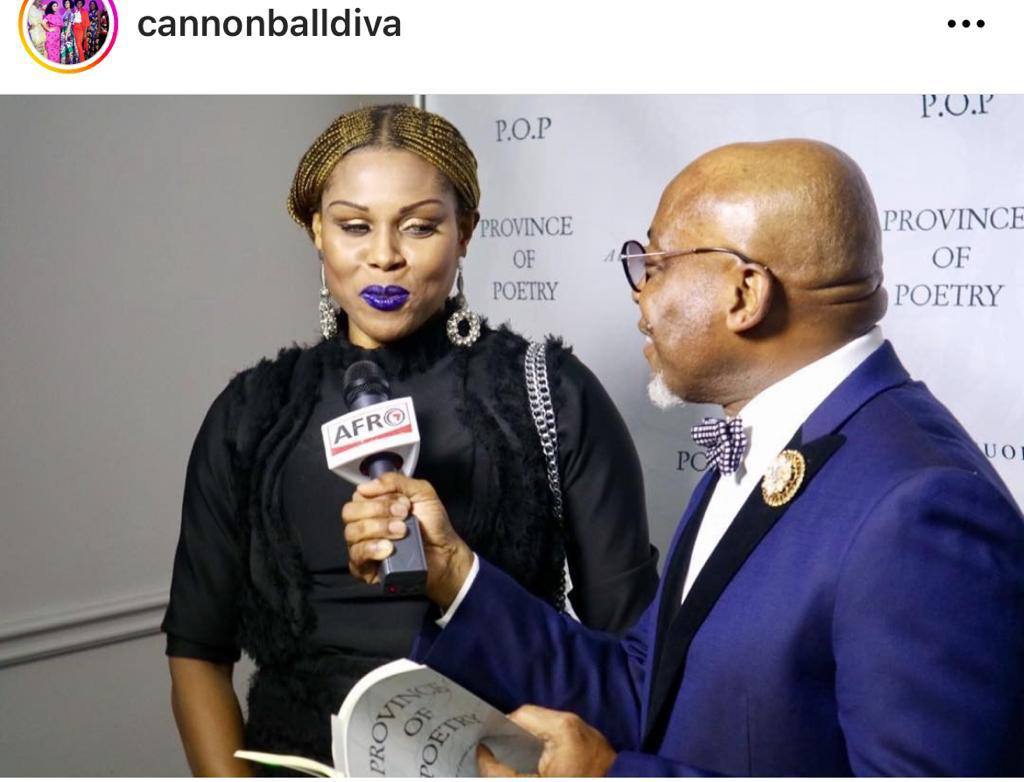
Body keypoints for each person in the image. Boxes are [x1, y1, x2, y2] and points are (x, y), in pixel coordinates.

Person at [345, 138, 1024, 775]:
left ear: (744, 294)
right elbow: (645, 688)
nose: (639, 290)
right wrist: (452, 573)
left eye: (657, 263)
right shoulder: (764, 439)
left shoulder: (921, 511)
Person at [161, 104, 659, 775]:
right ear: (317, 231)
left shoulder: (552, 392)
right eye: (354, 226)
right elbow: (197, 652)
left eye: (420, 225)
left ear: (466, 231)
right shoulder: (250, 413)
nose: (384, 255)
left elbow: (630, 650)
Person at [58, 0, 78, 65]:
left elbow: (69, 24)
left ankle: (71, 64)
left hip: (68, 32)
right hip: (63, 32)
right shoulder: (65, 13)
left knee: (70, 50)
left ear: (70, 4)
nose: (66, 4)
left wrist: (66, 35)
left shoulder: (71, 13)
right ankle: (63, 64)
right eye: (65, 3)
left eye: (68, 3)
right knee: (63, 49)